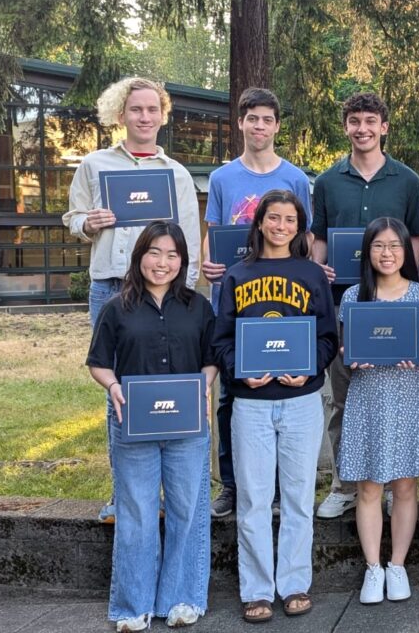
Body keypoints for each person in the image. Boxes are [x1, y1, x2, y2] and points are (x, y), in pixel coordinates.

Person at [64, 76, 201, 524]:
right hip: (111, 289)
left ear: (163, 115)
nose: (145, 117)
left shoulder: (176, 173)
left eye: (152, 109)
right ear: (120, 114)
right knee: (119, 390)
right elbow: (73, 217)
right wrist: (88, 223)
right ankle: (124, 496)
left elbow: (188, 239)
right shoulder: (94, 165)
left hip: (163, 294)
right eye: (136, 109)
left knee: (164, 386)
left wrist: (185, 294)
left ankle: (168, 492)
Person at [211, 190, 337, 623]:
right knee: (254, 500)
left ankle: (295, 583)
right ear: (260, 222)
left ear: (300, 227)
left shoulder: (311, 274)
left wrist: (310, 368)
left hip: (300, 400)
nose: (281, 226)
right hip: (251, 404)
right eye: (274, 218)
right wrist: (239, 372)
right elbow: (222, 340)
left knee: (299, 498)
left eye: (290, 219)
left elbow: (328, 337)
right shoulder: (237, 275)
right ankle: (257, 589)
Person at [86, 221, 216, 632]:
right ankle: (133, 606)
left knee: (187, 510)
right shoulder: (116, 307)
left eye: (172, 255)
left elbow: (211, 358)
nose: (162, 263)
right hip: (133, 424)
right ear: (140, 256)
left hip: (187, 425)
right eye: (154, 253)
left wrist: (205, 386)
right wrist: (113, 386)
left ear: (183, 261)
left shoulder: (199, 307)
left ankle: (183, 598)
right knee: (137, 514)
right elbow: (98, 362)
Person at [310, 92, 419, 520]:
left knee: (396, 402)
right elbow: (319, 239)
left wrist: (405, 289)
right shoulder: (327, 181)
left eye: (370, 121)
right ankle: (346, 484)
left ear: (384, 127)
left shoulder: (406, 180)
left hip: (395, 308)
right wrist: (317, 270)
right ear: (346, 127)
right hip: (346, 306)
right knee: (345, 400)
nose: (362, 129)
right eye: (355, 121)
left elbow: (416, 239)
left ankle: (395, 485)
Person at [201, 87, 312, 519]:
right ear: (241, 123)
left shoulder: (296, 179)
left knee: (283, 392)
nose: (259, 126)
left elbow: (305, 238)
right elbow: (214, 233)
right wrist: (209, 265)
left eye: (267, 119)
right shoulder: (222, 178)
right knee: (231, 397)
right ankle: (232, 485)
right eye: (252, 119)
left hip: (283, 302)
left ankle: (281, 487)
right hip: (236, 303)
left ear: (277, 126)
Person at [338, 217, 419, 604]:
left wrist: (418, 353)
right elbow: (346, 350)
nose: (387, 253)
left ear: (406, 252)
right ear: (368, 251)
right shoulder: (354, 296)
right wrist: (352, 356)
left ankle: (397, 565)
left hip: (406, 395)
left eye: (395, 245)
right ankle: (372, 567)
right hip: (367, 396)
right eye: (379, 246)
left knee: (405, 485)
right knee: (368, 486)